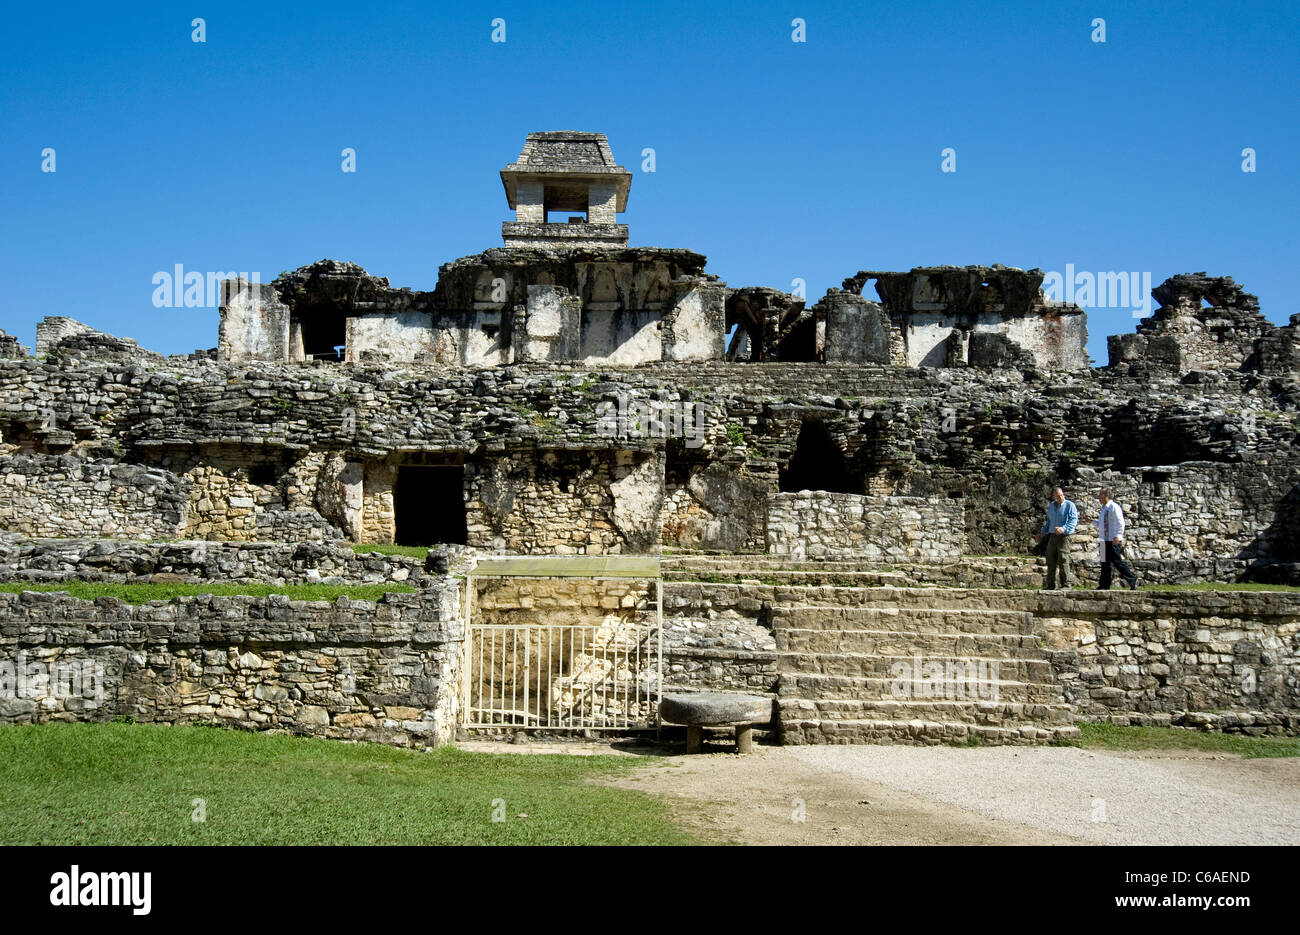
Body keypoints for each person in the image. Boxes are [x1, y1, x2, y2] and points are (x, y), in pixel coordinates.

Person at [1093, 487, 1139, 590]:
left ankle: (1132, 579)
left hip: (1112, 539)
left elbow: (1120, 522)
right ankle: (1104, 585)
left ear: (1106, 496)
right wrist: (1091, 521)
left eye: (1101, 495)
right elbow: (1102, 524)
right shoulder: (1104, 509)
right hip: (1104, 539)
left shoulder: (1114, 507)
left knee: (1116, 561)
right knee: (1105, 563)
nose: (1099, 497)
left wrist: (1118, 536)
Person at [1034, 486, 1078, 589]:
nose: (1061, 497)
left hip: (1065, 536)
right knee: (1050, 558)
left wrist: (1063, 529)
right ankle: (1051, 585)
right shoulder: (1052, 506)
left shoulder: (1070, 505)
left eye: (1062, 495)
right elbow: (1049, 522)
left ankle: (1066, 584)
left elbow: (1073, 520)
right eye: (1058, 496)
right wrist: (1042, 533)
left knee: (1063, 558)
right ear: (1054, 497)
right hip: (1053, 535)